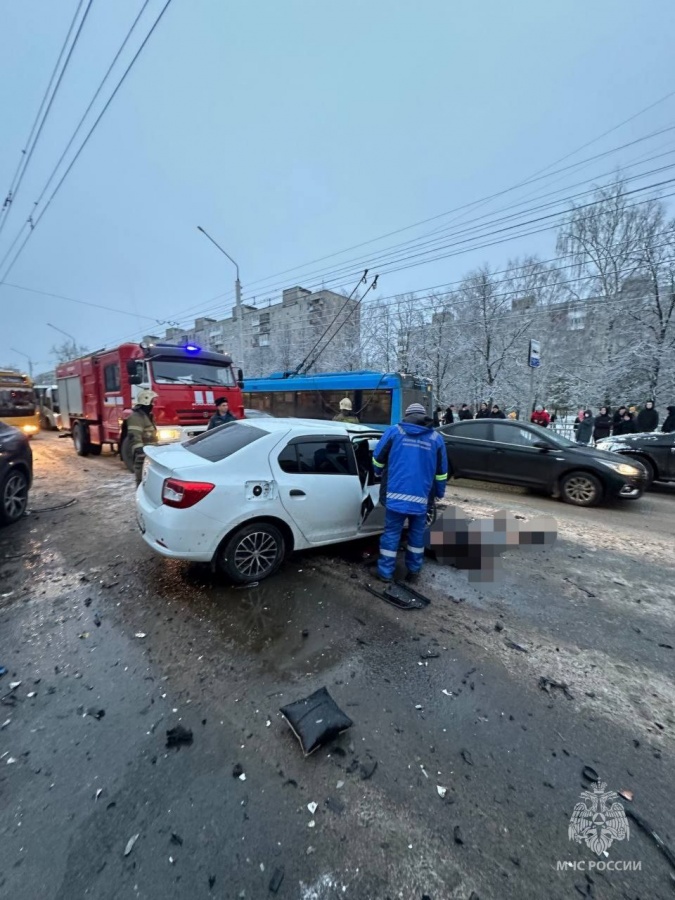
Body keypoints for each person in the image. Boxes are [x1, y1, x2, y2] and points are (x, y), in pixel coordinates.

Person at [372, 402, 448, 584]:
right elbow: (441, 472)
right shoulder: (436, 439)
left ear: (407, 415)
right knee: (416, 535)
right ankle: (413, 572)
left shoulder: (395, 432)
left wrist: (377, 473)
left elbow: (377, 458)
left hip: (395, 495)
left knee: (391, 534)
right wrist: (439, 492)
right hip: (422, 498)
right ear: (425, 417)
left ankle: (385, 573)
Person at [127, 389, 158, 485]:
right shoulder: (136, 417)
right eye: (152, 402)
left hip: (149, 453)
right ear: (146, 401)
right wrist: (140, 451)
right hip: (142, 455)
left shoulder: (147, 415)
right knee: (141, 481)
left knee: (149, 480)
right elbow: (134, 436)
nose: (153, 404)